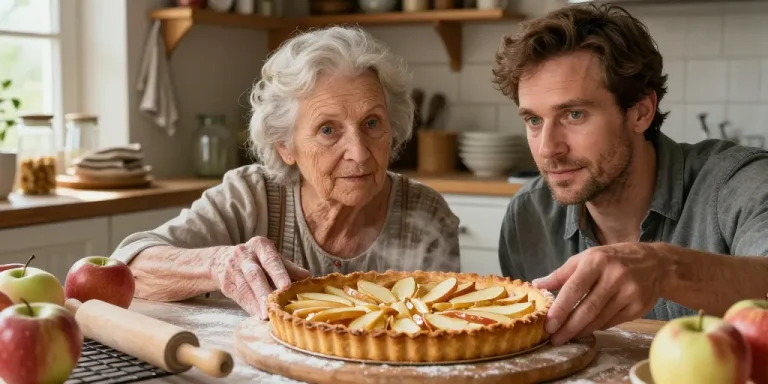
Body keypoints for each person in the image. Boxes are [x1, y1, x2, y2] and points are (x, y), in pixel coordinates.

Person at [110, 26, 460, 320]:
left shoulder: (426, 215)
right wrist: (217, 264)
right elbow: (125, 270)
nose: (358, 152)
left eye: (372, 123)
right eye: (328, 130)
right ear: (285, 146)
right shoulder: (251, 197)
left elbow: (441, 333)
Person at [493, 3, 768, 347]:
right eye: (534, 120)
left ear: (641, 112)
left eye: (574, 114)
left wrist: (664, 267)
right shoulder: (528, 216)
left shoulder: (739, 183)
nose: (548, 148)